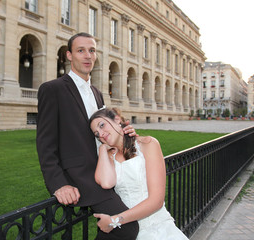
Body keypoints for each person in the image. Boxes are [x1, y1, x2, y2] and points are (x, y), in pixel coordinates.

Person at [36, 32, 139, 239]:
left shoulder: (96, 92)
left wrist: (125, 133)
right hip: (81, 177)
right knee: (127, 226)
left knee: (114, 226)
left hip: (107, 170)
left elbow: (105, 131)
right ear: (69, 55)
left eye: (92, 50)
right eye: (80, 50)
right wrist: (58, 184)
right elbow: (45, 142)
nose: (87, 56)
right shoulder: (52, 89)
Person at [89, 108, 189, 240]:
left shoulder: (148, 144)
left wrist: (115, 221)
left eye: (102, 125)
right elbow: (107, 183)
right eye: (97, 134)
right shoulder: (108, 156)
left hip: (156, 227)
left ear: (117, 120)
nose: (101, 134)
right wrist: (102, 148)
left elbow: (156, 201)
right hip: (130, 230)